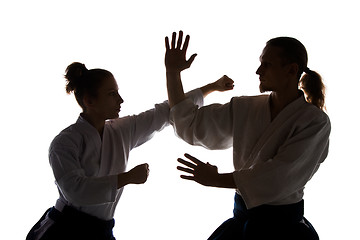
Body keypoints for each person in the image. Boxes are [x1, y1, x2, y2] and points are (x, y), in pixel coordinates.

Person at [26, 62, 233, 240]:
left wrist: (211, 87)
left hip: (101, 230)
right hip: (65, 229)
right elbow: (75, 190)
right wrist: (125, 178)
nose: (120, 100)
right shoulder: (64, 142)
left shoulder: (120, 131)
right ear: (89, 101)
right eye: (112, 94)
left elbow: (165, 111)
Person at [165, 31, 331, 240]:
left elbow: (278, 177)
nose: (258, 71)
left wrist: (216, 179)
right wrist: (172, 73)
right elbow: (189, 124)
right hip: (241, 222)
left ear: (291, 70)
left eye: (266, 64)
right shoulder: (245, 107)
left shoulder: (315, 122)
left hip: (285, 230)